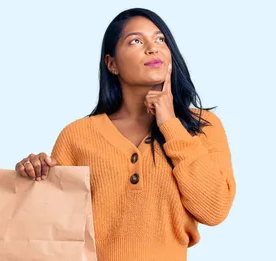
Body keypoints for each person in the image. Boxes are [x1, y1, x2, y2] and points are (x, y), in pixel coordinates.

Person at [14, 7, 236, 261]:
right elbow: (55, 231)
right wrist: (33, 176)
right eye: (136, 41)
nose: (152, 48)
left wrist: (170, 124)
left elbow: (215, 210)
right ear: (112, 64)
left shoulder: (202, 126)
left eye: (160, 39)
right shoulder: (77, 136)